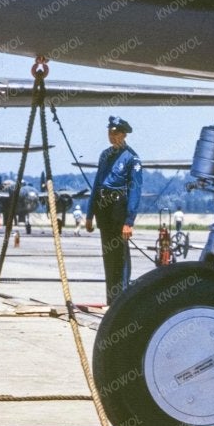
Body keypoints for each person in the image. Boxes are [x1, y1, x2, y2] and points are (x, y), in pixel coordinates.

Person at [87, 116, 142, 303]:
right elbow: (97, 184)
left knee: (120, 257)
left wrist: (129, 221)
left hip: (119, 209)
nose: (112, 136)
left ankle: (122, 298)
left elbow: (135, 189)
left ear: (124, 134)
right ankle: (112, 298)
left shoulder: (131, 158)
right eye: (110, 132)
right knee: (108, 255)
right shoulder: (105, 155)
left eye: (116, 133)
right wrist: (89, 214)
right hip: (104, 209)